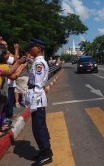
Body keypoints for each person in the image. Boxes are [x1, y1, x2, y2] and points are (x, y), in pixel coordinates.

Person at [25, 38, 53, 166]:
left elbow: (37, 85)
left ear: (38, 48)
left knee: (39, 128)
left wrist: (33, 103)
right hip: (37, 99)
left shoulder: (39, 64)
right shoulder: (37, 62)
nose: (30, 49)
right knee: (39, 127)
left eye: (32, 46)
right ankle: (44, 151)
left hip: (37, 100)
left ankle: (46, 154)